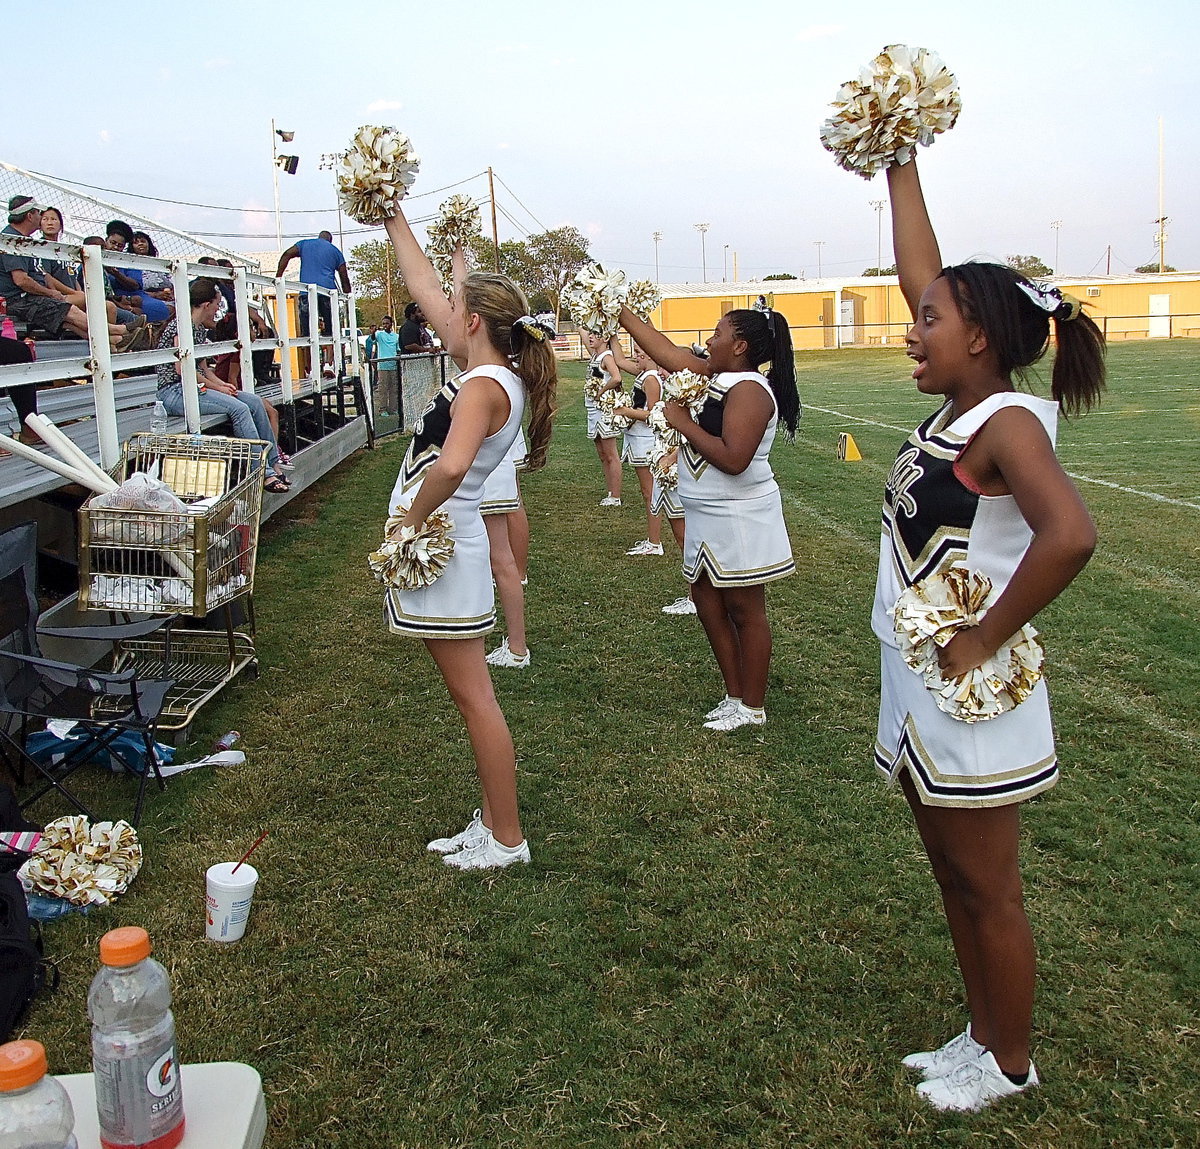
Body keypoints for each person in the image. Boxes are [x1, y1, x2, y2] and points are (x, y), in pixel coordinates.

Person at [877, 156, 1105, 1113]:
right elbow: (922, 269)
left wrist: (983, 635)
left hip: (973, 689)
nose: (913, 326)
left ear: (979, 336)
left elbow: (1073, 534)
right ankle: (979, 1035)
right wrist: (897, 163)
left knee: (989, 884)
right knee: (950, 870)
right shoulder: (964, 403)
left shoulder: (1007, 420)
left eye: (931, 319)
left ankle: (1011, 1063)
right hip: (924, 682)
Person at [382, 198, 556, 871]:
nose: (440, 315)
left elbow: (452, 466)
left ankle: (507, 838)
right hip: (449, 545)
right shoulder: (491, 372)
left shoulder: (485, 382)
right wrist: (391, 216)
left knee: (474, 696)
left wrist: (410, 519)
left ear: (475, 322)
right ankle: (491, 821)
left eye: (453, 312)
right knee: (470, 693)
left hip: (445, 546)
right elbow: (427, 283)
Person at [617, 304, 799, 731]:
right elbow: (665, 351)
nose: (709, 340)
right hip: (705, 511)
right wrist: (620, 311)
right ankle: (734, 695)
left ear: (739, 346)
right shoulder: (716, 377)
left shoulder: (751, 390)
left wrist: (681, 423)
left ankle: (752, 707)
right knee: (706, 602)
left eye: (718, 334)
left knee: (744, 609)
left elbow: (735, 459)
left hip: (739, 516)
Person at [154, 277, 291, 493]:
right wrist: (217, 388)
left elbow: (203, 369)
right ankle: (261, 472)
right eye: (217, 304)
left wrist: (223, 385)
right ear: (207, 304)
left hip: (194, 388)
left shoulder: (196, 328)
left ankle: (272, 463)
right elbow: (183, 371)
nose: (218, 309)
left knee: (254, 402)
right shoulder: (181, 328)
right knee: (239, 409)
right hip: (174, 392)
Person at [1, 198, 143, 349]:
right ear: (29, 216)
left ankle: (116, 342)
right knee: (69, 310)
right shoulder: (12, 240)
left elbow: (40, 275)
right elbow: (21, 280)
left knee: (69, 320)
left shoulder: (22, 239)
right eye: (39, 213)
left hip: (29, 298)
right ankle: (121, 330)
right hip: (19, 300)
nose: (40, 217)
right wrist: (50, 293)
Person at [608, 340, 665, 556]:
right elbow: (620, 360)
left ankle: (655, 541)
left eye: (641, 354)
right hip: (636, 437)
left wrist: (625, 412)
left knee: (650, 492)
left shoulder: (651, 379)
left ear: (651, 356)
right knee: (647, 491)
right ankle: (652, 538)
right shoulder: (643, 374)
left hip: (645, 440)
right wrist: (611, 329)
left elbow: (653, 414)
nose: (636, 357)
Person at [481, 427, 532, 668]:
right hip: (493, 459)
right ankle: (515, 647)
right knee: (501, 561)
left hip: (484, 466)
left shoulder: (489, 390)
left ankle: (517, 648)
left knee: (500, 560)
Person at [276, 230, 350, 378]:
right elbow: (344, 276)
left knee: (307, 332)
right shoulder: (335, 252)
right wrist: (348, 296)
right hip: (327, 293)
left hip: (306, 293)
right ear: (330, 240)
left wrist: (278, 277)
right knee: (330, 330)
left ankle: (310, 369)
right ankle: (329, 364)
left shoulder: (304, 244)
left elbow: (286, 254)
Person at [582, 329, 623, 506]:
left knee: (611, 453)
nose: (590, 337)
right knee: (602, 453)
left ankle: (616, 496)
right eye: (590, 333)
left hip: (603, 410)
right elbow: (583, 333)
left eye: (595, 334)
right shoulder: (595, 356)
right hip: (593, 410)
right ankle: (610, 491)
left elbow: (616, 378)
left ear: (605, 338)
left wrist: (600, 392)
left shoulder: (606, 356)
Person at [374, 315, 400, 419]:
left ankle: (393, 409)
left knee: (393, 389)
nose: (385, 325)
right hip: (383, 366)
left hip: (393, 365)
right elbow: (373, 338)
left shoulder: (396, 336)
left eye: (387, 323)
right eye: (383, 323)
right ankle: (383, 409)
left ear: (391, 324)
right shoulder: (379, 334)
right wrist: (373, 332)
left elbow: (398, 350)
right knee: (383, 389)